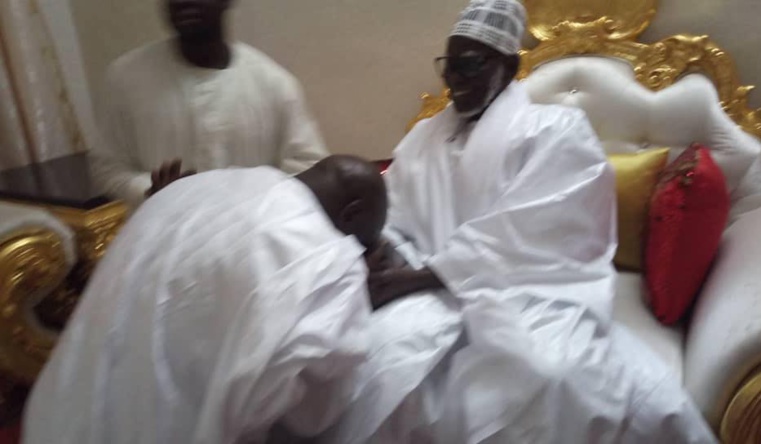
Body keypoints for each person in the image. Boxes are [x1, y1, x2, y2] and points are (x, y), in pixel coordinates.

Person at [326, 1, 718, 442]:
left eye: (470, 65)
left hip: (528, 289)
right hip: (422, 278)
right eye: (449, 65)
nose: (455, 78)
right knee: (380, 358)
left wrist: (421, 278)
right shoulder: (426, 135)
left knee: (550, 372)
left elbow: (538, 231)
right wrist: (384, 252)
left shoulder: (556, 130)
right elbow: (395, 207)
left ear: (508, 66)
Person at [23, 156, 387, 444]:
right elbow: (314, 417)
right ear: (350, 214)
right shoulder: (328, 259)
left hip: (56, 415)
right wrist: (358, 294)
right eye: (363, 241)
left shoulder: (193, 187)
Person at [89, 0, 328, 209]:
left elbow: (309, 168)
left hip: (253, 246)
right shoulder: (126, 78)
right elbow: (107, 167)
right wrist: (151, 191)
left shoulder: (274, 84)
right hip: (162, 246)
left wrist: (250, 200)